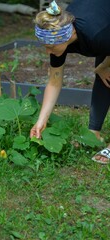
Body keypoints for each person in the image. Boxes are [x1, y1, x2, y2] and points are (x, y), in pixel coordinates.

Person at [30, 0, 110, 164]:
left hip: (103, 27)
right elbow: (54, 82)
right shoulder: (58, 38)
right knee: (106, 75)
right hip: (103, 20)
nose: (48, 51)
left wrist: (104, 65)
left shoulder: (96, 35)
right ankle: (92, 133)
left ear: (67, 36)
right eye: (45, 46)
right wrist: (41, 121)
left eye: (50, 47)